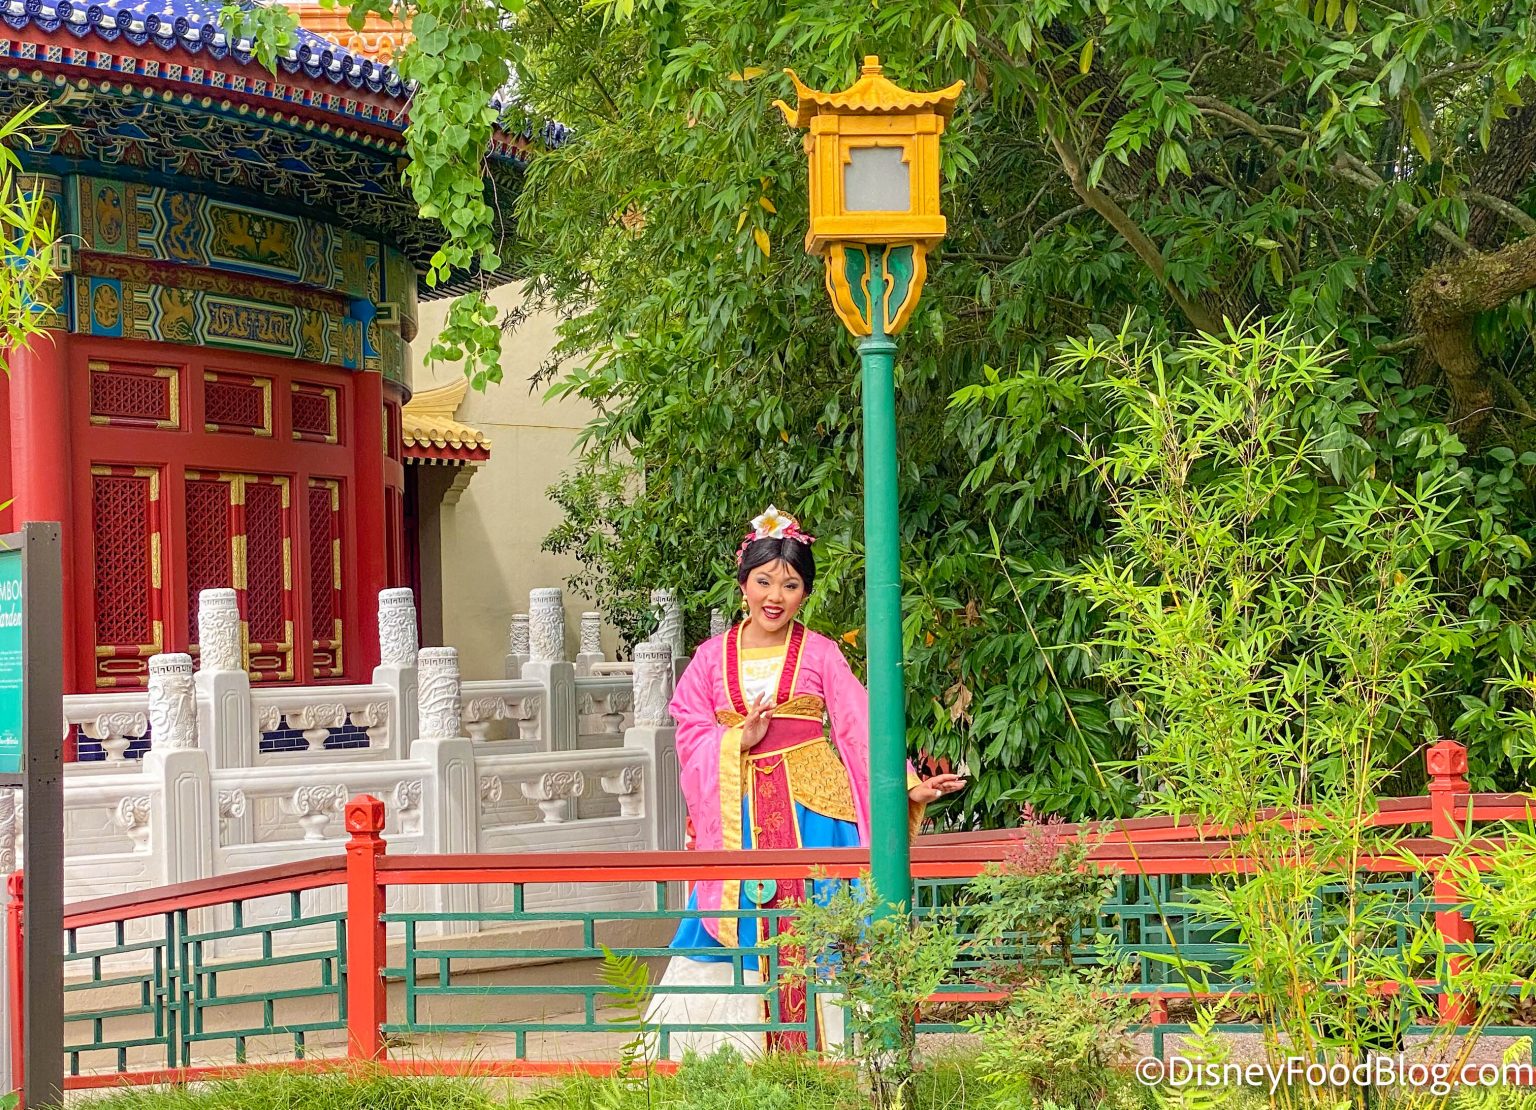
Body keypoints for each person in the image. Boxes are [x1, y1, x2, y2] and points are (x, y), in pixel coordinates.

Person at [648, 505, 966, 1059]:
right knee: (733, 917)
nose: (775, 595)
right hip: (740, 805)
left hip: (815, 807)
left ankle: (847, 1054)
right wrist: (736, 741)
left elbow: (859, 727)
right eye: (764, 581)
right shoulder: (706, 660)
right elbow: (689, 728)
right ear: (743, 582)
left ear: (805, 592)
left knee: (829, 921)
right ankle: (724, 1056)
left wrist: (906, 787)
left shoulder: (821, 653)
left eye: (790, 584)